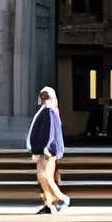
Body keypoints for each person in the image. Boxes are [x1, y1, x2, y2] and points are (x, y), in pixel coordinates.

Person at [28, 84, 69, 212]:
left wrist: (45, 148)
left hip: (47, 150)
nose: (44, 98)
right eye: (42, 96)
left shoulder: (50, 112)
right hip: (41, 149)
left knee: (46, 175)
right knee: (41, 176)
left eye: (47, 96)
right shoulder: (44, 111)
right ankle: (49, 202)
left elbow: (50, 133)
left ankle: (61, 198)